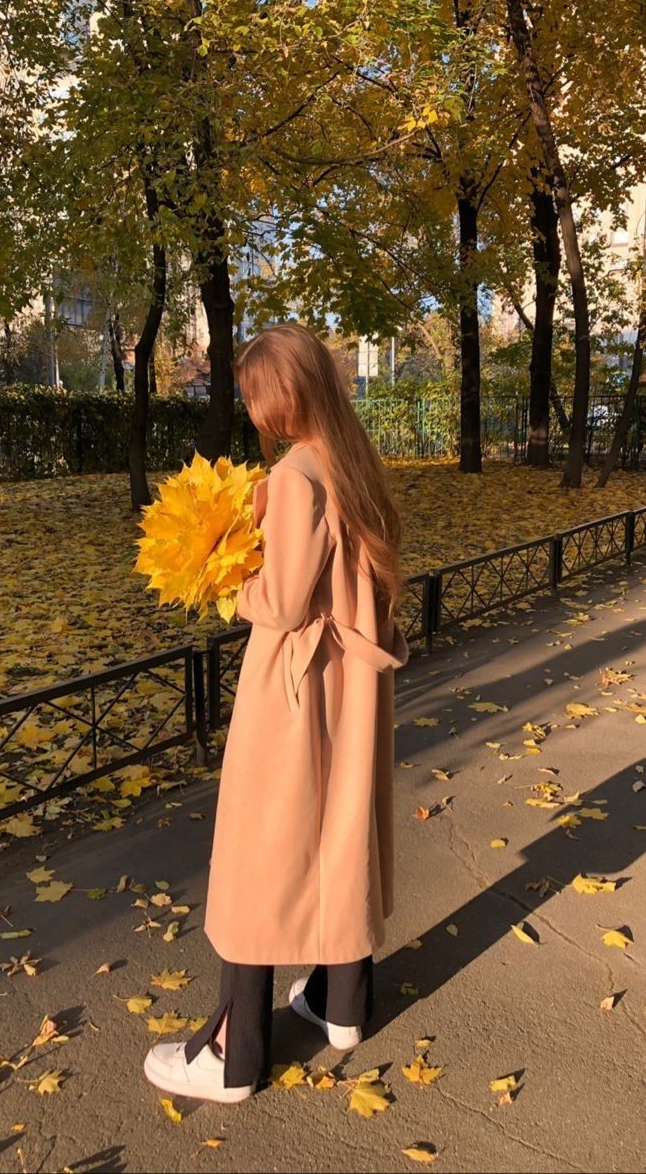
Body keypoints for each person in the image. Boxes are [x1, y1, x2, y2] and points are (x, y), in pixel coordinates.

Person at [143, 322, 410, 1103]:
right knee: (338, 832)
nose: (251, 408)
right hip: (350, 688)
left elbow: (286, 601)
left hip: (294, 689)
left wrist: (219, 574)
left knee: (261, 852)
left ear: (283, 396)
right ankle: (340, 1002)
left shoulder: (295, 477)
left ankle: (234, 1053)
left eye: (256, 392)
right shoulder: (350, 462)